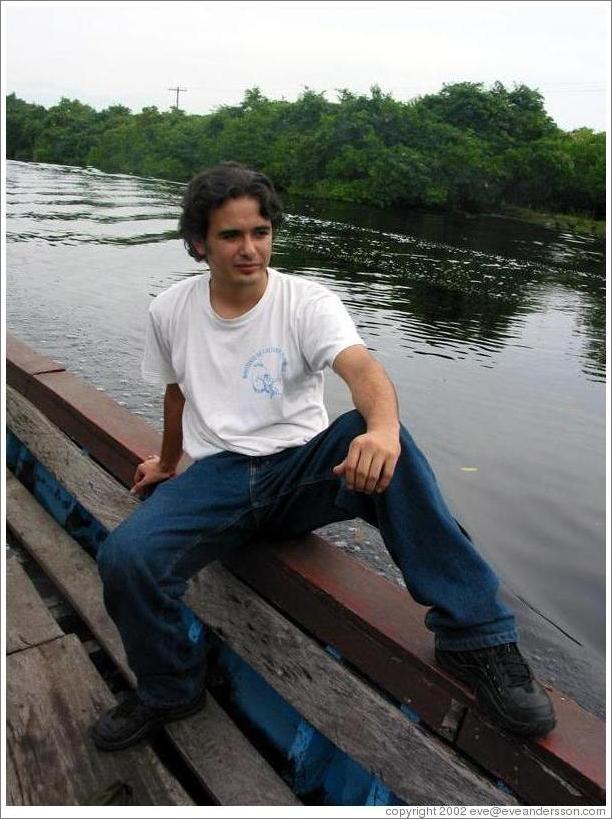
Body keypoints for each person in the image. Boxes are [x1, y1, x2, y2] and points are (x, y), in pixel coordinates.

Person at [92, 162, 555, 751]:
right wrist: (165, 463)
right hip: (219, 478)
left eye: (260, 232)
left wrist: (382, 431)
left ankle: (478, 638)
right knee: (126, 559)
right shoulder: (170, 311)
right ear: (198, 243)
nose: (249, 249)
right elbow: (176, 393)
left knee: (379, 437)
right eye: (230, 235)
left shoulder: (306, 302)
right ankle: (171, 688)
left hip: (301, 470)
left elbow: (361, 369)